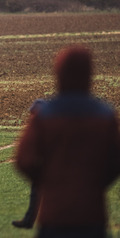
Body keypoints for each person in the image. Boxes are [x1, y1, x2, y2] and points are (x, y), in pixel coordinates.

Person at [16, 46, 120, 238]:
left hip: (54, 215)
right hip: (92, 214)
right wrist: (96, 182)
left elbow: (24, 159)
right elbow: (115, 161)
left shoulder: (45, 115)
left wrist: (47, 181)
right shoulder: (105, 115)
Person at [12, 99, 45, 229]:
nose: (31, 115)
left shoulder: (40, 126)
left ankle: (29, 221)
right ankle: (28, 220)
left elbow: (23, 157)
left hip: (46, 168)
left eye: (33, 112)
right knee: (36, 194)